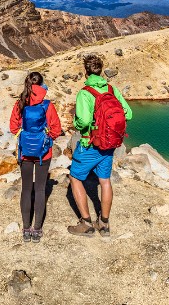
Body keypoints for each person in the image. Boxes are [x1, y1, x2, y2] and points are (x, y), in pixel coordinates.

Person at [68, 53, 132, 237]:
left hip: (91, 144)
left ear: (85, 72)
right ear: (101, 70)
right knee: (104, 181)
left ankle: (86, 223)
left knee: (75, 177)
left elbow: (84, 120)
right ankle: (104, 224)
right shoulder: (111, 90)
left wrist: (78, 124)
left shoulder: (85, 93)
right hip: (110, 144)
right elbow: (128, 114)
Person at [9, 71, 62, 243]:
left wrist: (24, 136)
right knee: (40, 189)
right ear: (42, 84)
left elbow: (13, 127)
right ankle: (37, 229)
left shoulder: (20, 103)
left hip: (25, 152)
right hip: (43, 153)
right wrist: (46, 140)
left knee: (26, 189)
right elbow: (56, 128)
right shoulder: (47, 105)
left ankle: (26, 229)